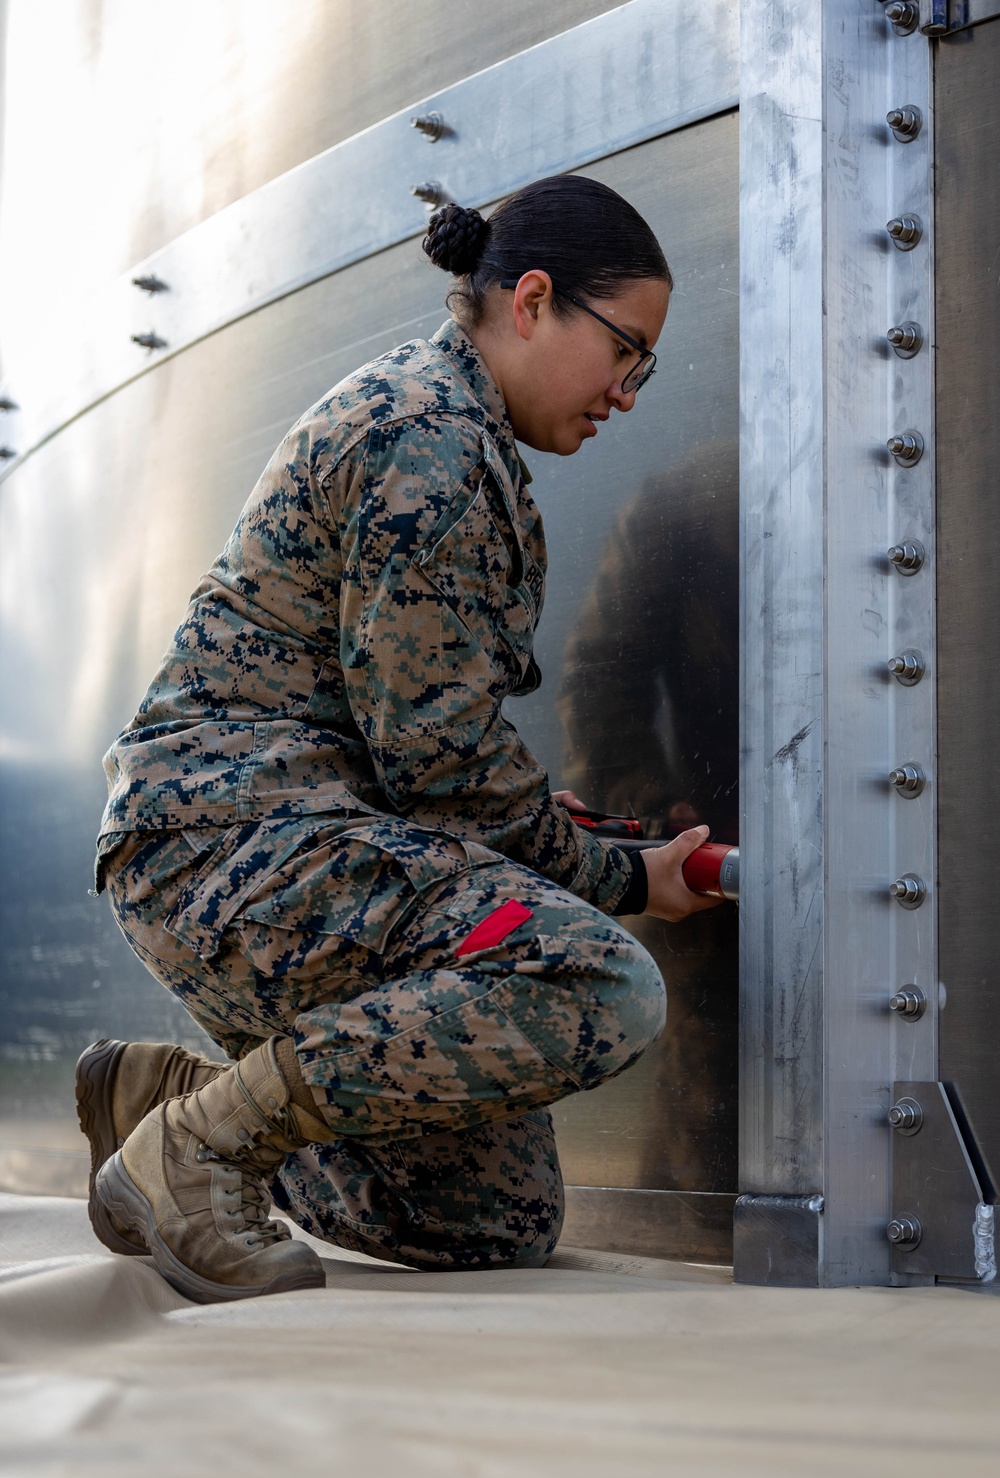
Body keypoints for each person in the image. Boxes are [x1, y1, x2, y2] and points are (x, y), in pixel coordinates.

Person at [78, 175, 722, 1306]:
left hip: (268, 846)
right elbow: (444, 767)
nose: (628, 390)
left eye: (643, 367)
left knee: (482, 1221)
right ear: (531, 302)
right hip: (228, 841)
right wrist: (623, 878)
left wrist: (535, 835)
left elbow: (424, 753)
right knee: (598, 981)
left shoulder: (453, 427)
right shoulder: (429, 441)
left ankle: (168, 1102)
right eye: (626, 350)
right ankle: (206, 1149)